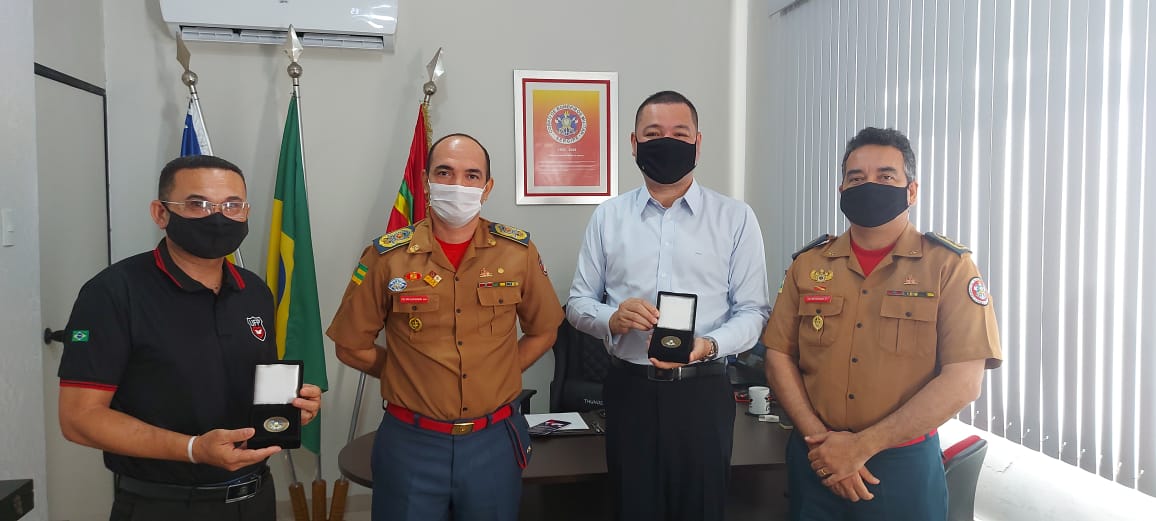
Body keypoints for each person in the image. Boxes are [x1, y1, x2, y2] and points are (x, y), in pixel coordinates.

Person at [57, 154, 322, 520]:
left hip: (257, 497)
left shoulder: (254, 292)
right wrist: (194, 448)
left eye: (233, 205)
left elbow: (244, 385)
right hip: (165, 504)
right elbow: (79, 419)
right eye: (197, 204)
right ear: (161, 213)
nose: (218, 217)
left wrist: (291, 408)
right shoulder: (114, 293)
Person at [762, 127, 1003, 520]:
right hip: (815, 456)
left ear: (911, 190)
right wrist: (822, 443)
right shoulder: (809, 265)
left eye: (885, 176)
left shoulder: (948, 267)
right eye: (855, 178)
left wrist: (861, 447)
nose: (868, 185)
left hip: (902, 464)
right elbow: (777, 355)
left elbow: (964, 379)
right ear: (841, 191)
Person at [327, 133, 564, 521]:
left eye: (472, 176)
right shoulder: (387, 256)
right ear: (425, 181)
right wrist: (411, 373)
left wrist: (496, 372)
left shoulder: (517, 252)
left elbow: (544, 331)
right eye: (445, 172)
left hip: (493, 441)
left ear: (487, 188)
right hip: (412, 443)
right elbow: (350, 345)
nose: (458, 185)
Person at [567, 90, 771, 521]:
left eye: (680, 133)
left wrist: (709, 345)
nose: (667, 142)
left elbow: (753, 312)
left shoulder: (735, 218)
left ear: (698, 143)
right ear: (634, 143)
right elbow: (577, 303)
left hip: (703, 390)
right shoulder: (608, 217)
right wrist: (611, 317)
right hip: (629, 391)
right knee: (632, 505)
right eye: (653, 133)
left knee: (701, 508)